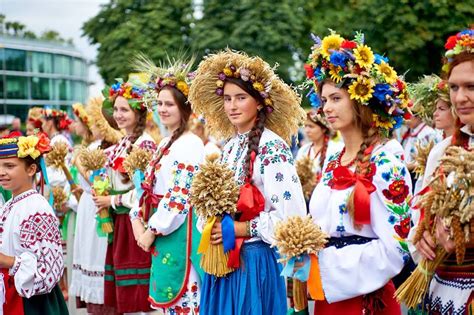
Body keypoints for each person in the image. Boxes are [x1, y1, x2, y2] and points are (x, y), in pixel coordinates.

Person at [188, 49, 307, 315]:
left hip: (253, 263)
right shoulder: (229, 146)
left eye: (241, 98)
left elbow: (292, 219)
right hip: (221, 261)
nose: (232, 106)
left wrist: (242, 228)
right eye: (228, 99)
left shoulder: (272, 147)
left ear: (259, 102)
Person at [303, 31, 413, 314]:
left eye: (336, 98)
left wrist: (326, 267)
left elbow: (397, 248)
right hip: (326, 296)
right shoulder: (334, 161)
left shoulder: (386, 161)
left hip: (365, 299)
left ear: (360, 100)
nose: (326, 107)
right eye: (324, 99)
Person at [130, 56, 204, 314]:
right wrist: (137, 218)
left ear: (184, 109)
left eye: (169, 104)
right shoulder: (165, 143)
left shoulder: (191, 144)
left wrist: (153, 229)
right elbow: (147, 190)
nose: (162, 109)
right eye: (159, 103)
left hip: (179, 230)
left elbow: (179, 196)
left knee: (185, 301)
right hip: (163, 230)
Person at [414, 28, 474, 315]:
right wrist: (425, 234)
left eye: (471, 87)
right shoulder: (441, 152)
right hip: (444, 292)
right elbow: (423, 212)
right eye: (454, 87)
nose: (460, 97)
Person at [93, 79, 156, 313]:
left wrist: (111, 200)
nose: (118, 115)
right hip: (121, 222)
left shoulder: (145, 144)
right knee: (126, 292)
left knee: (138, 291)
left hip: (136, 222)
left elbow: (146, 192)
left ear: (138, 113)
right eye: (116, 109)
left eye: (124, 109)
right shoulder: (122, 143)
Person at [0, 133, 68, 314]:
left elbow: (49, 270)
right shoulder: (11, 204)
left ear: (31, 169)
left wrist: (7, 261)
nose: (1, 172)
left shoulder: (36, 208)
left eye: (9, 166)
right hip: (12, 294)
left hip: (32, 304)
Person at [69, 99, 116, 314]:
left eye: (96, 123)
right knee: (88, 254)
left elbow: (100, 182)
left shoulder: (108, 148)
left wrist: (79, 163)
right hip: (89, 205)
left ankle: (102, 303)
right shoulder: (94, 147)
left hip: (99, 206)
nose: (91, 126)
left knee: (98, 255)